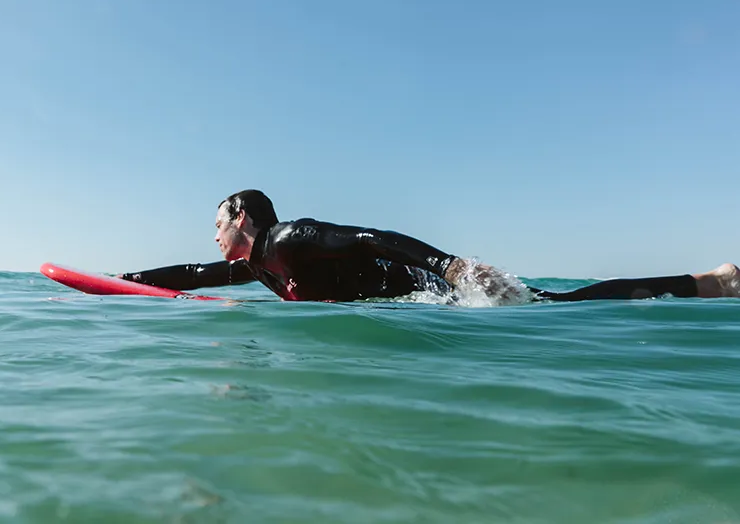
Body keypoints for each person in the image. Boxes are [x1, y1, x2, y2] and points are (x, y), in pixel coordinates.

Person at [118, 189, 740, 304]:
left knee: (561, 304)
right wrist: (124, 282)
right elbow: (195, 273)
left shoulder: (289, 237)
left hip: (435, 290)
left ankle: (711, 282)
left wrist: (450, 265)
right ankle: (707, 283)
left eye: (217, 223)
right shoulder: (258, 267)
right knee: (561, 303)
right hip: (415, 306)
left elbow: (374, 238)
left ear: (242, 217)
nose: (214, 236)